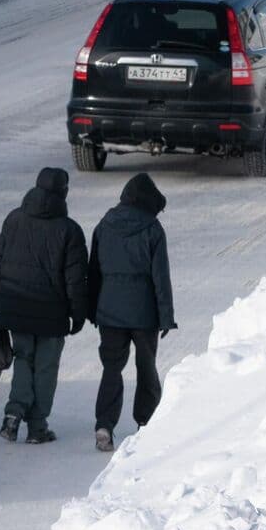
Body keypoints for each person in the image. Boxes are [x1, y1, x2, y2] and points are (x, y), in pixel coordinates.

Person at [0, 168, 89, 445]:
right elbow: (76, 279)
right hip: (52, 312)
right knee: (45, 367)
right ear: (64, 192)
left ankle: (13, 415)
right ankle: (37, 426)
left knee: (24, 358)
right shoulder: (69, 230)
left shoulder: (13, 219)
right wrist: (78, 314)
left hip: (15, 305)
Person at [87, 173, 175, 453]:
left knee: (112, 367)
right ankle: (146, 423)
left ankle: (104, 424)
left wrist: (92, 308)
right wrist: (166, 316)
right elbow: (160, 277)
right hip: (144, 313)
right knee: (146, 367)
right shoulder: (153, 229)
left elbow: (94, 271)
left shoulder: (104, 225)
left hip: (110, 312)